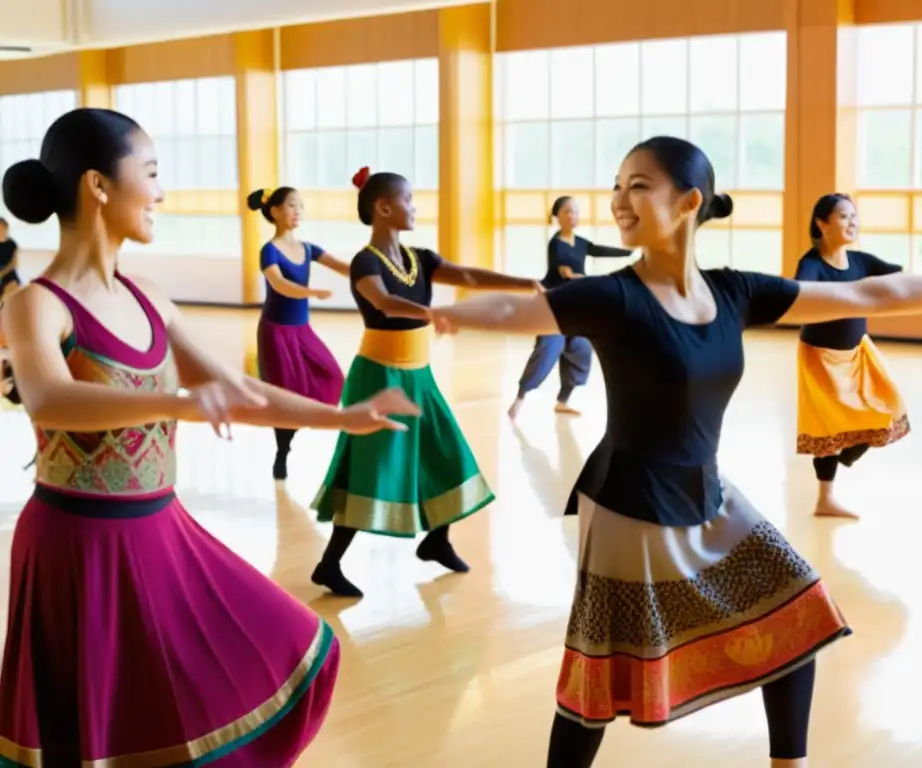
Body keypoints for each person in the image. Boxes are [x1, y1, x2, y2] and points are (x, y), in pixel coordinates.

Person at [428, 136, 922, 768]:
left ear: (689, 202)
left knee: (798, 616)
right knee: (598, 683)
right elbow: (525, 309)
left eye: (638, 186)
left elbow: (873, 295)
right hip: (630, 507)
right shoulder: (612, 297)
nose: (618, 202)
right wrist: (444, 312)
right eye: (616, 187)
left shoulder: (736, 292)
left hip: (707, 492)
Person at [0, 107, 421, 765]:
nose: (163, 193)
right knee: (91, 737)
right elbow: (50, 401)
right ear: (98, 186)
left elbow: (237, 392)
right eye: (152, 173)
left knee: (279, 648)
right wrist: (177, 398)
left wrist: (342, 415)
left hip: (160, 529)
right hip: (76, 545)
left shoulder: (148, 298)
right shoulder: (37, 303)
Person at [310, 166, 540, 599]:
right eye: (408, 200)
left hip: (420, 375)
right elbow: (383, 301)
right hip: (378, 376)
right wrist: (432, 314)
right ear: (382, 207)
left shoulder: (422, 259)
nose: (415, 207)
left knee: (447, 452)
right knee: (373, 469)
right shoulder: (365, 261)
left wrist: (528, 284)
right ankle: (329, 565)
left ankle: (436, 539)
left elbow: (469, 277)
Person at [794, 194, 908, 518]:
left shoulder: (860, 261)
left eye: (854, 217)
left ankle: (845, 457)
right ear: (822, 223)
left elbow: (897, 275)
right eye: (844, 216)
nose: (852, 223)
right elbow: (801, 291)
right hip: (821, 359)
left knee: (890, 409)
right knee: (828, 430)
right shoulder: (813, 263)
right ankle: (825, 498)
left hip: (859, 353)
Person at [247, 185, 351, 480]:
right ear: (276, 211)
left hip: (301, 330)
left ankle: (319, 430)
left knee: (331, 375)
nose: (297, 211)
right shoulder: (269, 251)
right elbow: (279, 284)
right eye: (291, 205)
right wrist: (312, 291)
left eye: (300, 206)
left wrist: (375, 266)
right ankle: (282, 451)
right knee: (283, 394)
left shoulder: (308, 249)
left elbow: (345, 267)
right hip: (276, 333)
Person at [507, 195, 632, 421]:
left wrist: (630, 251)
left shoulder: (581, 243)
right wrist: (583, 279)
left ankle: (562, 401)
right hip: (554, 305)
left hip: (576, 305)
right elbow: (565, 272)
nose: (573, 216)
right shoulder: (556, 244)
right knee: (548, 349)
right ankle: (519, 399)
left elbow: (599, 250)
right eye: (568, 211)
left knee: (581, 350)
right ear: (557, 217)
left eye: (576, 211)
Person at [0, 217, 20, 301]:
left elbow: (14, 263)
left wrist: (2, 273)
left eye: (3, 228)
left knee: (12, 287)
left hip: (8, 272)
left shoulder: (12, 244)